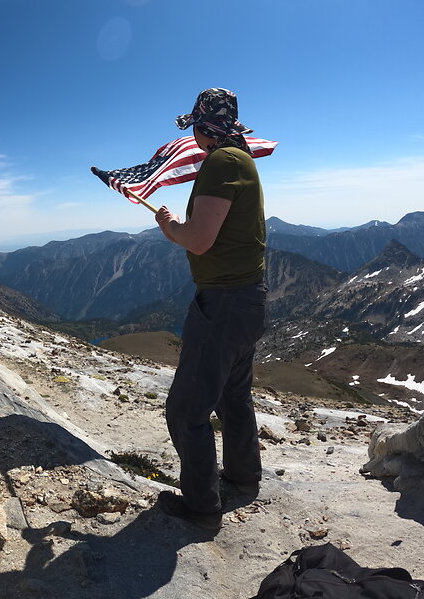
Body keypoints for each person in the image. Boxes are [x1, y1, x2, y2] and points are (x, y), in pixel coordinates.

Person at [153, 87, 267, 531]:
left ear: (203, 126)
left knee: (187, 410)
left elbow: (199, 239)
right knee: (232, 395)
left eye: (196, 127)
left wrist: (170, 228)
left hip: (222, 303)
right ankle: (242, 475)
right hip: (247, 299)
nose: (195, 137)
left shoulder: (222, 162)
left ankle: (202, 505)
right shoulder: (241, 159)